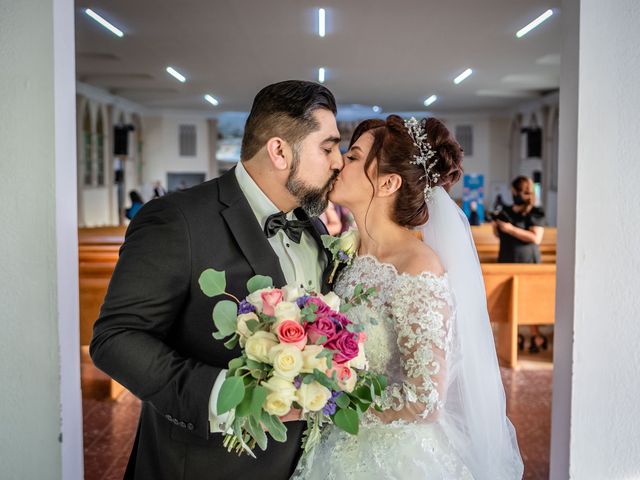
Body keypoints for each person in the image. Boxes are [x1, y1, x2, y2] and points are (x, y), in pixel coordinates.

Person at [90, 80, 343, 480]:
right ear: (279, 151)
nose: (338, 162)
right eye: (328, 148)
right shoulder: (177, 219)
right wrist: (225, 397)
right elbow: (116, 338)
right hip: (207, 465)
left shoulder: (313, 227)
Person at [293, 116, 523, 479]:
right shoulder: (348, 256)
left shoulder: (417, 268)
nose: (338, 162)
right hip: (332, 444)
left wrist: (328, 403)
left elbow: (425, 400)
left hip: (389, 458)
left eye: (353, 157)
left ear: (388, 182)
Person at [492, 176, 548, 353]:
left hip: (528, 261)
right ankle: (513, 336)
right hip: (507, 257)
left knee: (529, 299)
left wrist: (510, 229)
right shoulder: (506, 211)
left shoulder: (536, 212)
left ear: (517, 191)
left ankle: (535, 334)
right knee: (510, 299)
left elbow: (536, 238)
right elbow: (498, 235)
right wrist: (497, 226)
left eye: (514, 191)